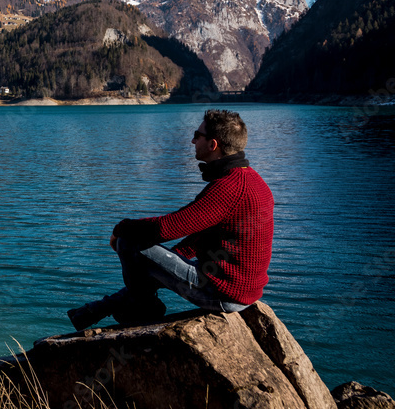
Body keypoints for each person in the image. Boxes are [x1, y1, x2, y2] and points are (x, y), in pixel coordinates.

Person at [67, 109, 274, 331]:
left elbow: (167, 227)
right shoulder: (251, 180)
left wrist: (121, 229)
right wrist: (161, 265)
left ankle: (142, 310)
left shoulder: (229, 187)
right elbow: (198, 237)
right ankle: (98, 309)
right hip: (237, 289)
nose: (193, 140)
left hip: (221, 292)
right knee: (146, 265)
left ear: (213, 144)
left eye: (197, 135)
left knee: (128, 242)